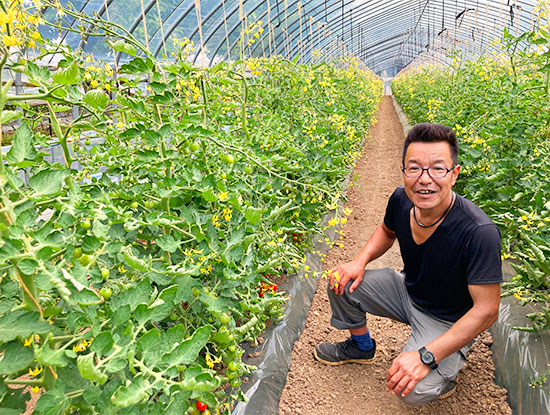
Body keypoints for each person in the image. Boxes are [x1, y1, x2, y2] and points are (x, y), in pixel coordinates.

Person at [313, 122, 502, 406]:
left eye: (438, 168)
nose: (424, 179)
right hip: (407, 292)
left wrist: (426, 356)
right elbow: (387, 231)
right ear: (403, 171)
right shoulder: (401, 199)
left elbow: (487, 311)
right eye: (414, 168)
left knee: (411, 390)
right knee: (341, 280)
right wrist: (358, 261)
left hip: (448, 321)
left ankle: (446, 372)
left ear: (455, 174)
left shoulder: (478, 232)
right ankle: (362, 347)